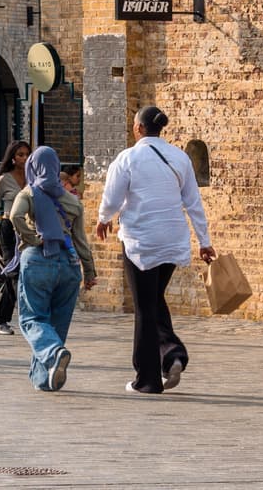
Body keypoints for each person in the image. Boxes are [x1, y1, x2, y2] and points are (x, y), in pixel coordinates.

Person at [96, 105, 216, 396]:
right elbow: (193, 202)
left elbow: (112, 198)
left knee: (144, 307)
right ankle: (171, 354)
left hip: (141, 242)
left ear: (138, 128)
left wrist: (102, 218)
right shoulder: (180, 158)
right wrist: (204, 240)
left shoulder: (127, 158)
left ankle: (147, 379)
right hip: (173, 239)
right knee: (152, 300)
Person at [9, 146, 96, 391]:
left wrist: (33, 238)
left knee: (33, 319)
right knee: (57, 323)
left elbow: (15, 216)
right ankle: (43, 379)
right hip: (69, 264)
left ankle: (53, 352)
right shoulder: (73, 201)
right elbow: (81, 241)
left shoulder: (29, 193)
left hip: (37, 260)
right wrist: (90, 272)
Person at [0, 140, 31, 335]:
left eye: (27, 154)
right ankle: (22, 317)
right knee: (13, 273)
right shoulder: (3, 180)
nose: (24, 158)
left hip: (27, 229)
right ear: (12, 157)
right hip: (9, 228)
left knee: (19, 273)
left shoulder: (32, 178)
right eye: (20, 155)